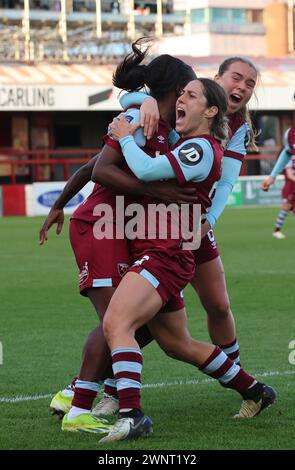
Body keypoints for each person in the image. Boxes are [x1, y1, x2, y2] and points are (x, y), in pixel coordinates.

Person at [91, 78, 276, 443]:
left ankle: (131, 414)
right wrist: (141, 106)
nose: (181, 100)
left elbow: (144, 171)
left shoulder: (202, 149)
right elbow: (136, 102)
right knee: (178, 344)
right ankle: (255, 391)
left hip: (166, 253)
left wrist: (125, 135)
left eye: (190, 96)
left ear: (210, 111)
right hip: (163, 252)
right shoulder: (188, 144)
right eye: (180, 94)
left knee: (116, 323)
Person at [40, 40, 197, 432]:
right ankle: (77, 408)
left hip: (121, 229)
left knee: (142, 322)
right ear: (177, 92)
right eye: (189, 91)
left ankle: (80, 390)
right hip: (100, 225)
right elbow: (101, 171)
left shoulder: (161, 127)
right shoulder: (136, 117)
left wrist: (58, 202)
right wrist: (157, 192)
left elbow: (92, 166)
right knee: (119, 321)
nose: (191, 99)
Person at [261, 126, 295, 239]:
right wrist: (272, 176)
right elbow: (287, 152)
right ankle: (276, 230)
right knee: (285, 208)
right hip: (290, 188)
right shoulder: (290, 134)